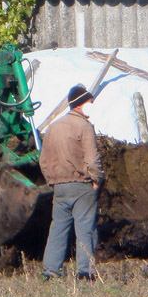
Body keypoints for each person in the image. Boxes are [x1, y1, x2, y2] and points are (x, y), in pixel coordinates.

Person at [40, 84, 103, 281]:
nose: (92, 105)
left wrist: (52, 181)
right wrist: (96, 179)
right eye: (90, 102)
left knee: (58, 228)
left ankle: (50, 271)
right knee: (85, 229)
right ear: (81, 104)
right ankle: (85, 272)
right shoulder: (84, 126)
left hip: (59, 187)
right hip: (81, 184)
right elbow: (92, 159)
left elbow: (43, 160)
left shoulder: (53, 127)